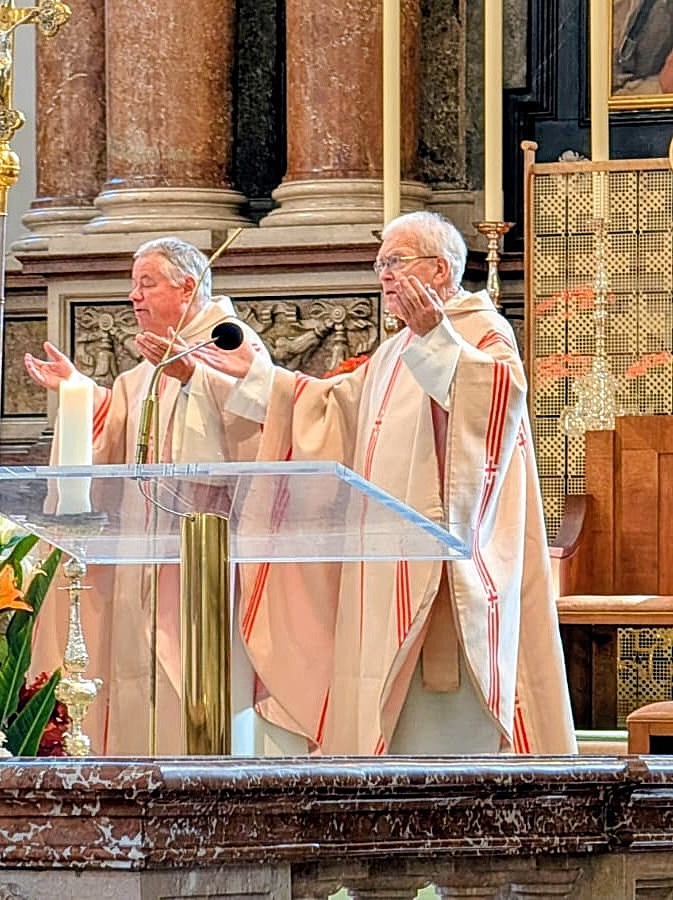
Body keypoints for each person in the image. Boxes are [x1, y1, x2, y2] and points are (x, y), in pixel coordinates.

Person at [187, 211, 576, 755]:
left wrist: (435, 339)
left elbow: (496, 401)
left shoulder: (479, 328)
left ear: (439, 271)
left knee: (438, 746)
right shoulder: (393, 349)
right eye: (380, 264)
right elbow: (333, 410)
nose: (383, 275)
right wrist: (258, 376)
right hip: (380, 571)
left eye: (394, 262)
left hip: (439, 575)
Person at [22, 236, 262, 754]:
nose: (133, 297)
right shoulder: (144, 369)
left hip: (201, 551)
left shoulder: (228, 340)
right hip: (143, 545)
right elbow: (122, 429)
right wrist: (78, 392)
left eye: (146, 284)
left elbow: (261, 415)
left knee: (190, 673)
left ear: (188, 287)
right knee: (137, 674)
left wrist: (193, 374)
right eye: (133, 285)